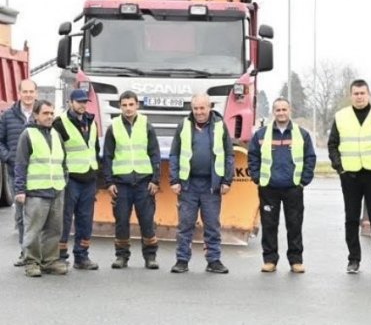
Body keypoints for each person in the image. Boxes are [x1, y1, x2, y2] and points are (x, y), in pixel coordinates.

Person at [328, 79, 371, 275]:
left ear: (368, 94)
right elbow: (333, 144)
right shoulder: (341, 116)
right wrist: (339, 167)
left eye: (362, 93)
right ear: (351, 95)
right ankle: (353, 260)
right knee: (351, 218)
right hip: (350, 176)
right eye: (356, 94)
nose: (359, 97)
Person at [248, 98, 316, 273]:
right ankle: (270, 260)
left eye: (284, 109)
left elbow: (310, 158)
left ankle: (296, 260)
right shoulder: (261, 135)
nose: (281, 113)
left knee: (294, 225)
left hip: (293, 187)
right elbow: (253, 157)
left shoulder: (302, 134)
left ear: (290, 110)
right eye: (278, 110)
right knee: (269, 225)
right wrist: (257, 177)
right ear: (273, 112)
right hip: (268, 188)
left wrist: (303, 181)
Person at [169, 93, 234, 274]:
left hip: (211, 186)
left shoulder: (220, 126)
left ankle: (213, 261)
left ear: (209, 107)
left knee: (212, 225)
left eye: (202, 108)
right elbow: (174, 154)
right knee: (185, 225)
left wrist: (227, 180)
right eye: (195, 108)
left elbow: (229, 154)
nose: (199, 112)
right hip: (188, 185)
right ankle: (182, 260)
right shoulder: (184, 126)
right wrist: (174, 180)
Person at [103, 90, 161, 270]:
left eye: (131, 104)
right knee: (121, 221)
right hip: (121, 183)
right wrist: (109, 182)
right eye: (124, 105)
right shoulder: (114, 127)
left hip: (144, 182)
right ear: (120, 106)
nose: (128, 108)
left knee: (147, 221)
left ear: (137, 105)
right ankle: (121, 257)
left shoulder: (146, 125)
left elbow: (154, 153)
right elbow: (108, 156)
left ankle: (150, 257)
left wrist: (155, 180)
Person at [13, 100, 68, 277]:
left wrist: (63, 181)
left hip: (56, 190)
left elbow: (63, 162)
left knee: (54, 229)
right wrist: (20, 190)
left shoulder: (56, 134)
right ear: (36, 115)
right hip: (36, 192)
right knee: (33, 230)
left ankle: (50, 260)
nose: (50, 116)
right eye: (45, 113)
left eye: (51, 113)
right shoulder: (27, 135)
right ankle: (32, 262)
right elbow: (20, 164)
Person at [51, 89, 101, 270]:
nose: (82, 105)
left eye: (84, 102)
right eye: (78, 102)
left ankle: (82, 256)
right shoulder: (60, 123)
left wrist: (97, 175)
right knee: (64, 219)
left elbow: (94, 149)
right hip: (70, 179)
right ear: (70, 102)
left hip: (89, 178)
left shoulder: (91, 121)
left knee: (85, 219)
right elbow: (57, 151)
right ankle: (60, 257)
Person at [0, 78, 37, 266]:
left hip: (39, 173)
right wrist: (8, 157)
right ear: (19, 93)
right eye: (25, 92)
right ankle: (25, 251)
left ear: (35, 94)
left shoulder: (42, 114)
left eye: (31, 92)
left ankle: (38, 253)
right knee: (22, 214)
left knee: (37, 215)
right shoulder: (8, 116)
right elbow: (0, 141)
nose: (28, 95)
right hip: (17, 172)